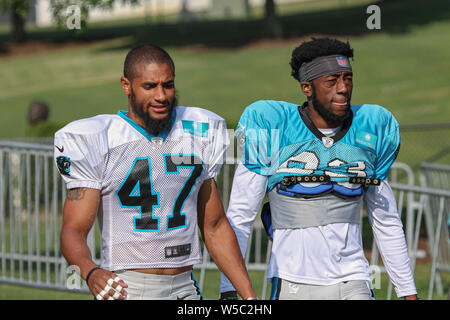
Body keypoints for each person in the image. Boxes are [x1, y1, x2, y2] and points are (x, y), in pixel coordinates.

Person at [219, 37, 418, 300]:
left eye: (348, 78)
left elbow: (386, 221)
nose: (343, 88)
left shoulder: (369, 129)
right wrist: (228, 288)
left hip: (354, 280)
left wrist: (408, 293)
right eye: (332, 80)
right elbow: (241, 215)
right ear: (307, 87)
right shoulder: (273, 128)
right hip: (294, 282)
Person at [55, 44, 256, 300]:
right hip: (129, 288)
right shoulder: (100, 138)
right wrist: (90, 271)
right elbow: (73, 230)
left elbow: (215, 226)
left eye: (168, 85)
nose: (161, 95)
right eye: (149, 86)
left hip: (185, 286)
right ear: (126, 85)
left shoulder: (196, 132)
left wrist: (250, 297)